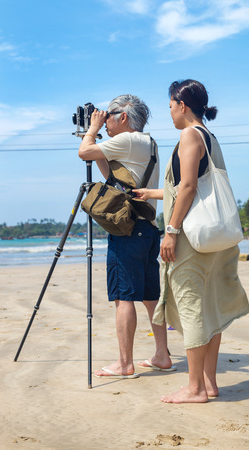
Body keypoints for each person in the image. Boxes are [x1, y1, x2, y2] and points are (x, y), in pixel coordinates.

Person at [133, 80, 249, 402]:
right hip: (217, 239)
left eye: (170, 107)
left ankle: (195, 387)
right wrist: (150, 193)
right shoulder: (210, 138)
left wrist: (170, 232)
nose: (170, 114)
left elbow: (187, 188)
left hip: (192, 240)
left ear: (181, 105)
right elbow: (188, 187)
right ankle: (209, 384)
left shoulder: (188, 135)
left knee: (192, 308)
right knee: (210, 308)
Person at [78, 94, 175, 379]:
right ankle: (161, 355)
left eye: (108, 115)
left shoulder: (128, 140)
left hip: (128, 231)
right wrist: (96, 141)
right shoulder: (147, 143)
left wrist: (91, 131)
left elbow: (84, 153)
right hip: (146, 229)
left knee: (123, 296)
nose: (105, 119)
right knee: (149, 295)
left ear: (123, 117)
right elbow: (114, 178)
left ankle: (125, 363)